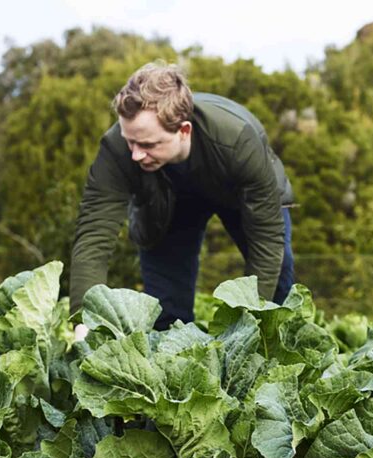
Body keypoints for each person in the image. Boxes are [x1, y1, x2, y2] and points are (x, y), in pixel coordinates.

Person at [69, 61, 295, 333]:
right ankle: (171, 361)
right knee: (166, 306)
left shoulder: (237, 140)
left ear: (183, 130)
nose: (136, 154)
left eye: (149, 144)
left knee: (278, 281)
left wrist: (249, 332)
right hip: (165, 203)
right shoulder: (117, 147)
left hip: (238, 196)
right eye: (130, 141)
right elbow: (94, 233)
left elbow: (267, 238)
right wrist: (83, 323)